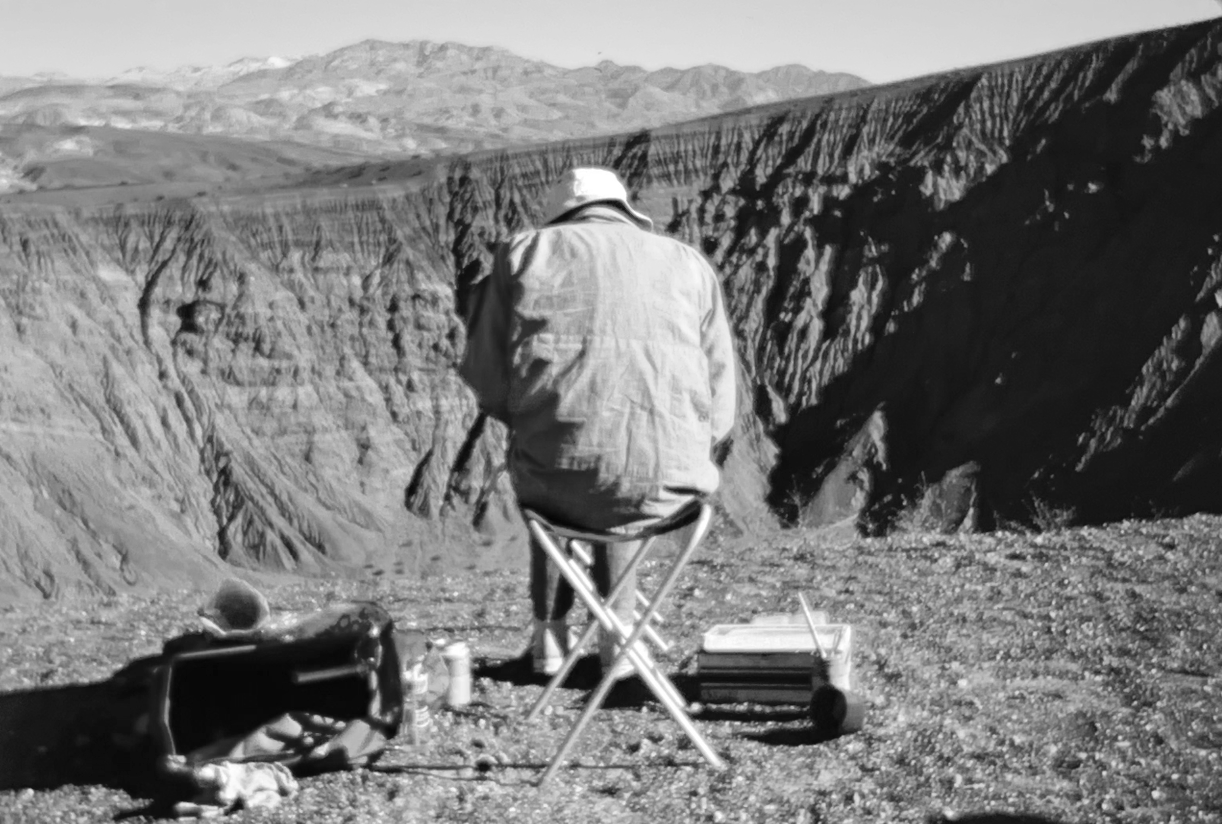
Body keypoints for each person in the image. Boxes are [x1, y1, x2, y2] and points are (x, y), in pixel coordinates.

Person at [459, 166, 736, 679]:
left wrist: (533, 417)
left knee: (557, 460)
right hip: (675, 491)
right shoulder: (688, 262)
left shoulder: (524, 255)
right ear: (623, 209)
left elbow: (485, 374)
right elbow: (722, 394)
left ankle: (549, 640)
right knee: (629, 469)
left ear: (561, 215)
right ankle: (621, 640)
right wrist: (690, 443)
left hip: (558, 482)